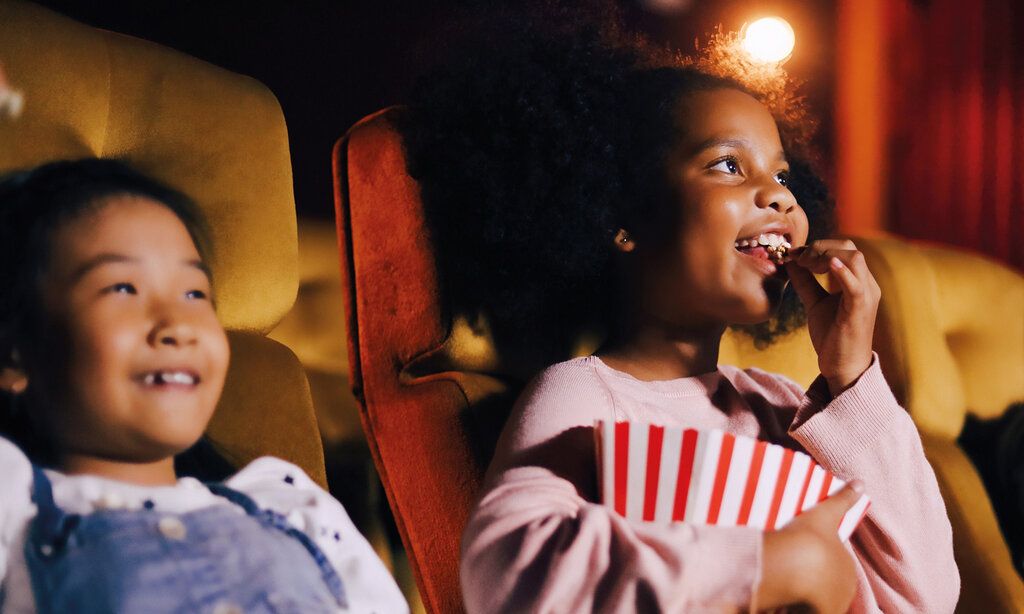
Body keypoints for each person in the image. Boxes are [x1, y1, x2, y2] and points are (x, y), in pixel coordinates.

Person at [401, 7, 960, 613]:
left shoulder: (779, 404)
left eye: (781, 173)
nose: (780, 194)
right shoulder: (588, 397)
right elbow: (506, 573)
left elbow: (925, 595)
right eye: (727, 165)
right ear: (623, 216)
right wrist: (773, 564)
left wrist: (850, 378)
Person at [0, 158, 408, 613]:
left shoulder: (294, 509)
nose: (178, 324)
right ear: (14, 355)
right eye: (122, 288)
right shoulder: (13, 505)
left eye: (195, 294)